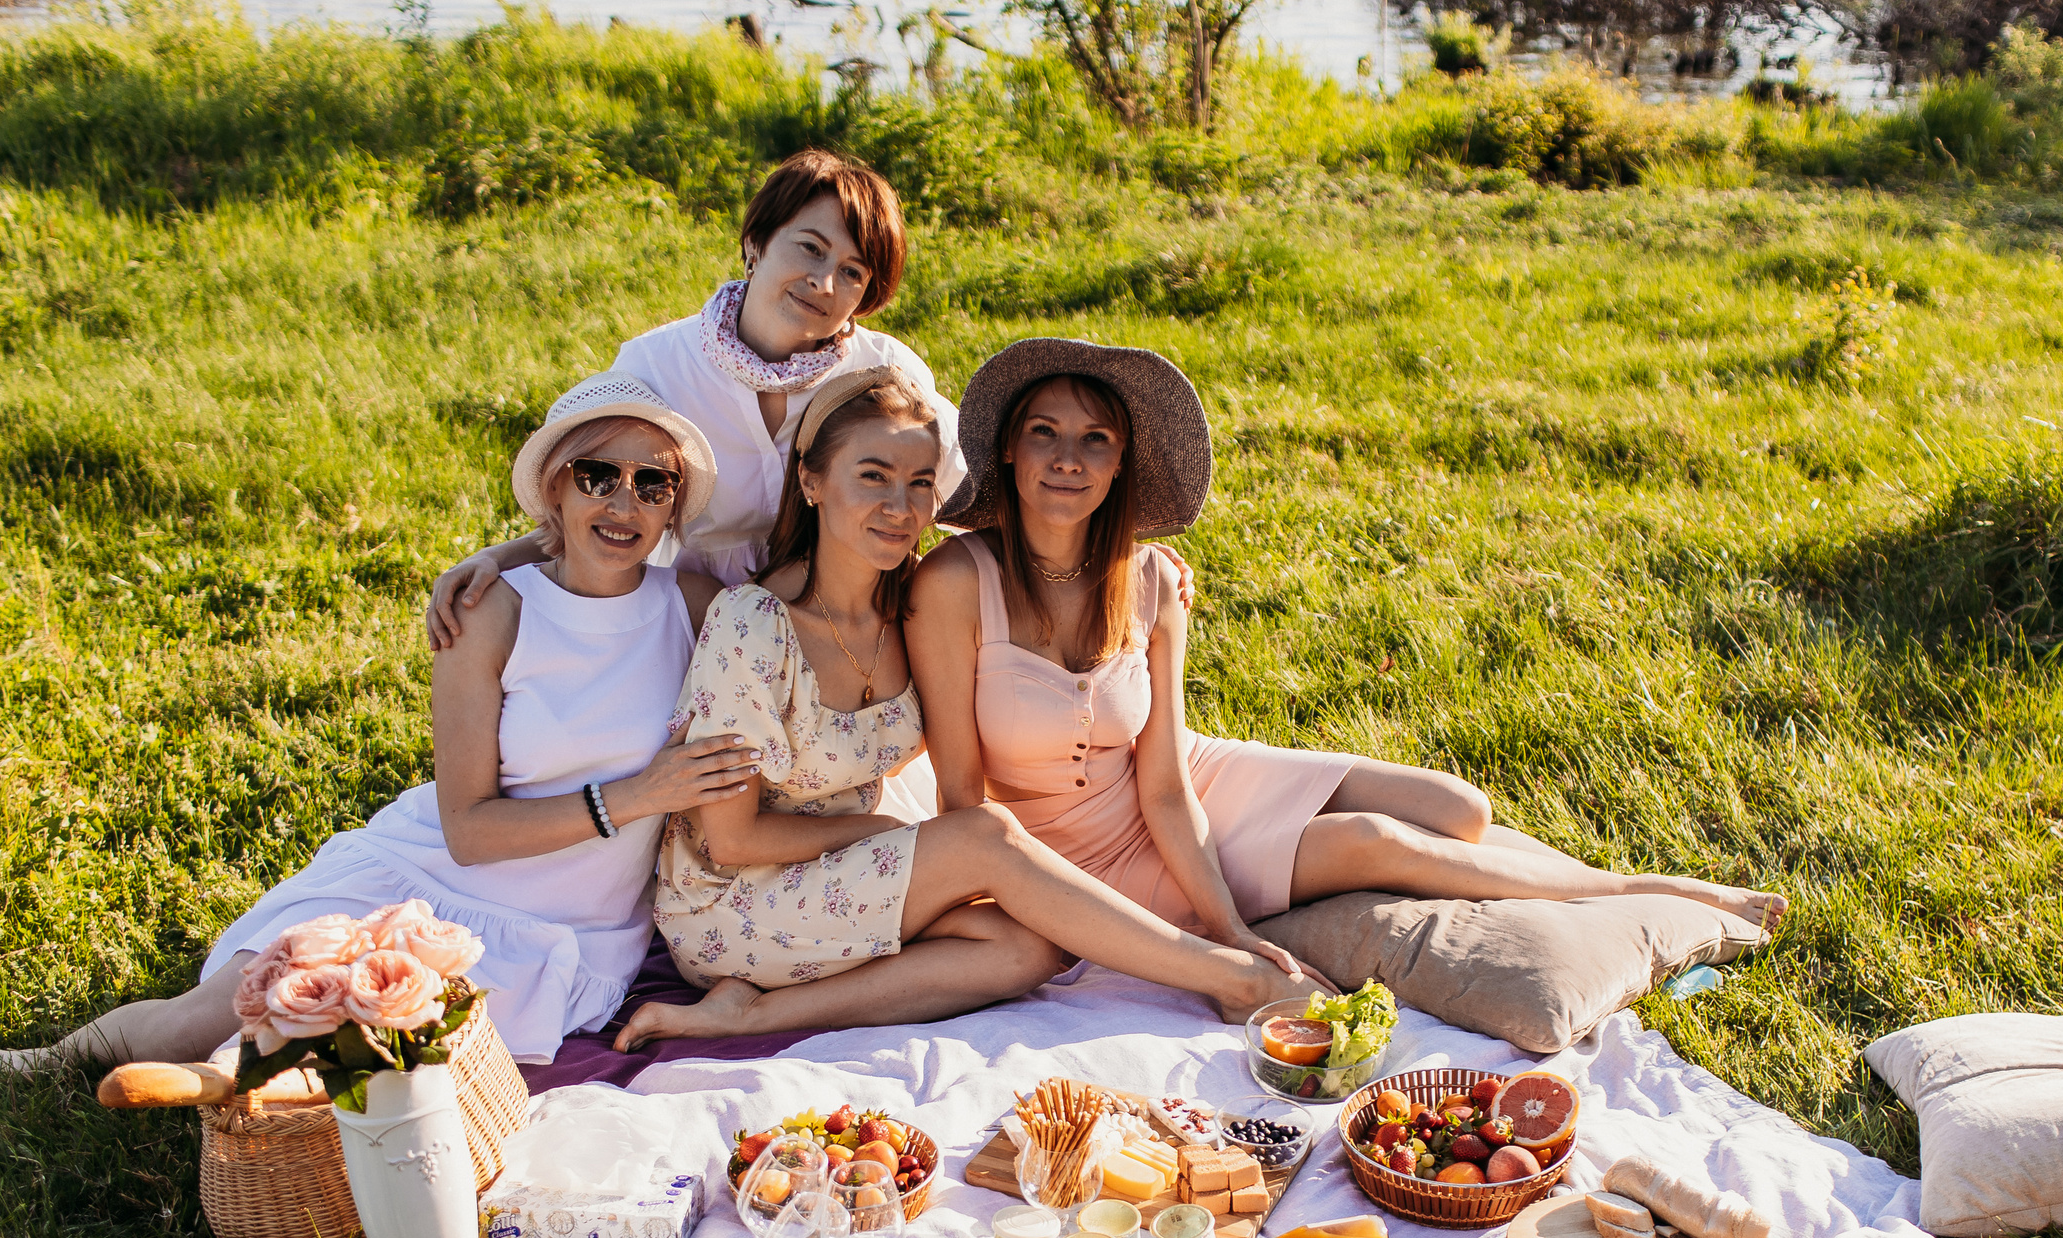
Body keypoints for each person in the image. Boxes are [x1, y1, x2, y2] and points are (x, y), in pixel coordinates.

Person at [0, 375, 756, 1103]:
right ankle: (34, 1062)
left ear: (673, 508)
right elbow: (470, 830)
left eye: (654, 485)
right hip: (436, 879)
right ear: (556, 492)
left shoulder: (689, 607)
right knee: (220, 1013)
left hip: (570, 933)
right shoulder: (494, 612)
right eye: (599, 475)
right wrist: (640, 796)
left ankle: (218, 1092)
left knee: (338, 1065)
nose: (624, 501)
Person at [903, 338, 1792, 965]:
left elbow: (1167, 782)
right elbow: (963, 806)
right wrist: (1227, 932)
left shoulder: (1148, 582)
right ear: (1010, 448)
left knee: (1459, 805)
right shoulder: (953, 586)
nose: (1068, 458)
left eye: (1094, 438)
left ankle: (1595, 878)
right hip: (1081, 858)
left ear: (1122, 460)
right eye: (1045, 433)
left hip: (1179, 788)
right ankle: (1644, 893)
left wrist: (1221, 899)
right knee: (1374, 841)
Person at [606, 368, 1318, 1051]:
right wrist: (882, 829)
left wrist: (1138, 562)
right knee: (985, 838)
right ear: (812, 480)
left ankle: (753, 1014)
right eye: (873, 476)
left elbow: (1030, 587)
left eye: (920, 484)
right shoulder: (754, 624)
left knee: (1029, 945)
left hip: (837, 878)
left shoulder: (911, 603)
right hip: (728, 904)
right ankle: (1235, 978)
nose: (900, 506)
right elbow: (730, 841)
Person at [425, 147, 962, 639]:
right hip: (692, 619)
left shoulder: (885, 371)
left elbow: (967, 490)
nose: (824, 284)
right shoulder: (656, 366)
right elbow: (599, 503)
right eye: (810, 249)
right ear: (756, 243)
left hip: (843, 617)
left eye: (852, 272)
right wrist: (497, 558)